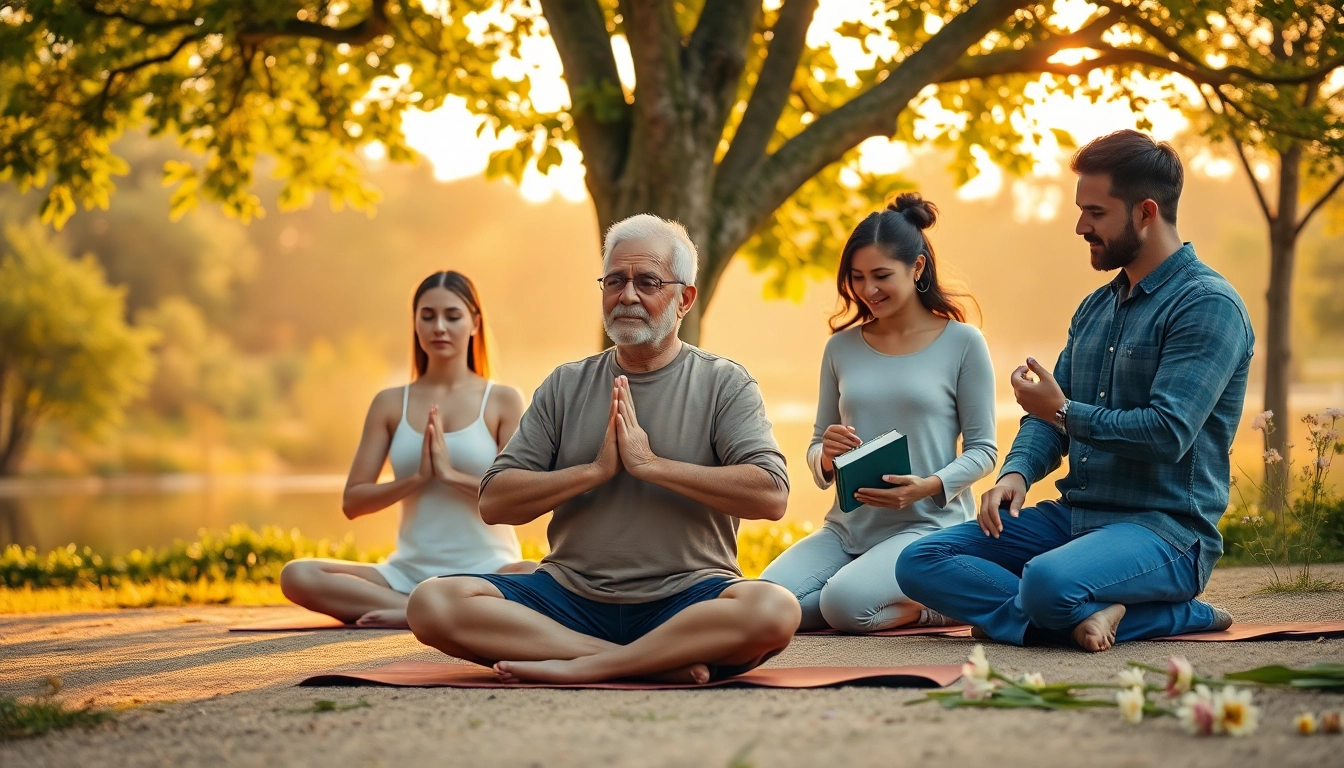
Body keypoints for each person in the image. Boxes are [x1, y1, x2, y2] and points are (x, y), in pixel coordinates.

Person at [405, 214, 800, 685]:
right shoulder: (566, 384)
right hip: (569, 597)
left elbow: (772, 495)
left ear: (684, 299)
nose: (627, 295)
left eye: (647, 282)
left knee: (774, 609)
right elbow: (494, 502)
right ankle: (650, 662)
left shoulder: (724, 383)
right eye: (615, 281)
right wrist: (593, 471)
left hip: (688, 598)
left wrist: (652, 466)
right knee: (431, 602)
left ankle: (593, 666)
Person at [896, 129, 1252, 652]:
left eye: (1096, 212)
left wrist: (1063, 410)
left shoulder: (1207, 306)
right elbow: (1046, 418)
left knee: (1046, 582)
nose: (1080, 226)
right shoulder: (1094, 309)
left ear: (1146, 211)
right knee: (921, 562)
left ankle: (1173, 612)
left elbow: (1167, 433)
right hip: (1074, 519)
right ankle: (1070, 616)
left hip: (1165, 533)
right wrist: (1017, 472)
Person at [759, 193, 996, 633]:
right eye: (857, 277)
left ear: (918, 268)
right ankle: (864, 589)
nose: (868, 290)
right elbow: (816, 444)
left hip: (926, 528)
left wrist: (927, 486)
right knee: (767, 603)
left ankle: (938, 604)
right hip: (847, 529)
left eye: (882, 275)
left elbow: (984, 451)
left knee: (843, 607)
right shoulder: (841, 348)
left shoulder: (963, 343)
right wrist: (825, 457)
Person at [280, 271, 534, 628]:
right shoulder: (389, 403)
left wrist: (451, 476)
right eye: (427, 316)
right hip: (405, 574)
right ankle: (419, 608)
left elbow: (515, 499)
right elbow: (353, 501)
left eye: (452, 316)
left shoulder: (503, 400)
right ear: (415, 323)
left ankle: (414, 610)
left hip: (488, 569)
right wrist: (417, 479)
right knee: (298, 574)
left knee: (539, 574)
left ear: (475, 322)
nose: (439, 327)